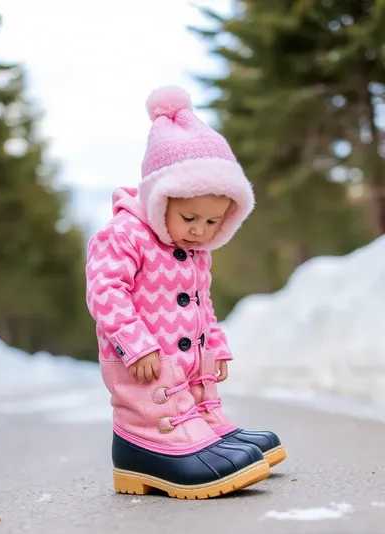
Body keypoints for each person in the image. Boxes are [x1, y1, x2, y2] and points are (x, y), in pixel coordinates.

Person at [86, 86, 286, 500]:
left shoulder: (194, 251)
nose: (200, 230)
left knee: (186, 376)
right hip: (142, 364)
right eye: (189, 217)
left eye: (214, 222)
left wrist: (215, 344)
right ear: (161, 200)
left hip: (183, 378)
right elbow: (106, 289)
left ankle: (199, 418)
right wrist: (133, 344)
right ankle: (146, 440)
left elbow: (202, 304)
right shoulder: (123, 236)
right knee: (152, 386)